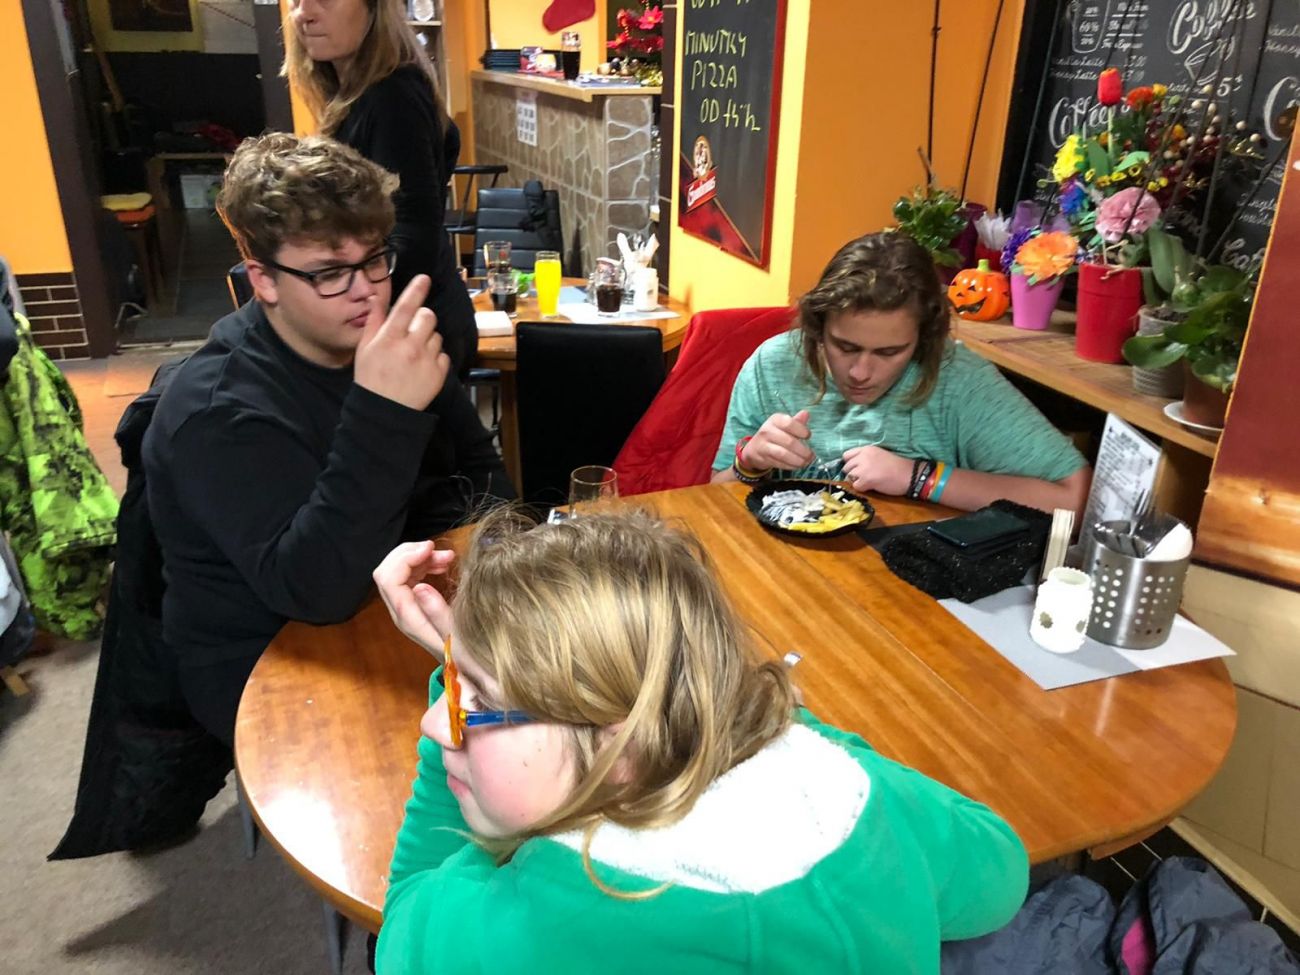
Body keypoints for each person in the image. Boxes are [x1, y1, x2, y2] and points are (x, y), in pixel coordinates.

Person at [370, 508, 1029, 973]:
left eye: (479, 702)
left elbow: (403, 923)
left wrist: (452, 689)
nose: (434, 722)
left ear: (622, 738)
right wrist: (780, 725)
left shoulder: (521, 929)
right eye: (455, 685)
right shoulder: (856, 802)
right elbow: (1000, 873)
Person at [142, 133, 512, 746]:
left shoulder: (389, 345)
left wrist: (497, 567)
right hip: (270, 658)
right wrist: (385, 412)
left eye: (375, 259)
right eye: (332, 273)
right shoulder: (215, 410)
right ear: (263, 280)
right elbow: (315, 590)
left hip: (401, 604)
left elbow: (480, 471)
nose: (367, 289)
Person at [712, 232, 1091, 515]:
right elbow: (716, 494)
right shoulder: (772, 364)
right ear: (817, 327)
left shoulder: (958, 378)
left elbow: (1075, 497)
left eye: (889, 352)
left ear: (923, 340)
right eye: (845, 346)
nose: (860, 372)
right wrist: (749, 464)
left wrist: (920, 478)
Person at [284, 0, 477, 377]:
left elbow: (412, 238)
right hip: (402, 322)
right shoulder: (356, 92)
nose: (304, 13)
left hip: (414, 331)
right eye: (295, 0)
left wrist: (340, 304)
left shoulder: (391, 94)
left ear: (374, 8)